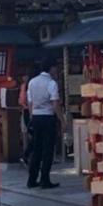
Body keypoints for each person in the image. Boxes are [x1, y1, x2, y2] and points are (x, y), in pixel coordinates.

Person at [26, 60, 63, 189]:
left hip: (36, 116)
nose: (56, 70)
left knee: (37, 149)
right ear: (51, 68)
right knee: (48, 150)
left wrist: (32, 117)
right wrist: (61, 119)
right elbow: (55, 103)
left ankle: (31, 179)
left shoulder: (32, 82)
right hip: (48, 117)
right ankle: (44, 179)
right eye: (55, 68)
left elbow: (30, 102)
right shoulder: (51, 83)